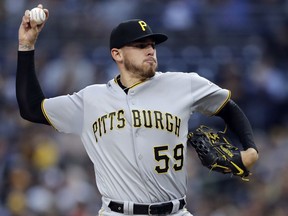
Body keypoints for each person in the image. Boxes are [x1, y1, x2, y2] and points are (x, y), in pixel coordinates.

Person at [16, 4, 259, 216]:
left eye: (152, 45)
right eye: (141, 45)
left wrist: (250, 150)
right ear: (117, 54)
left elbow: (228, 107)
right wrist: (26, 46)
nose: (150, 50)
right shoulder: (91, 99)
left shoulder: (183, 84)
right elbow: (31, 109)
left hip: (175, 210)